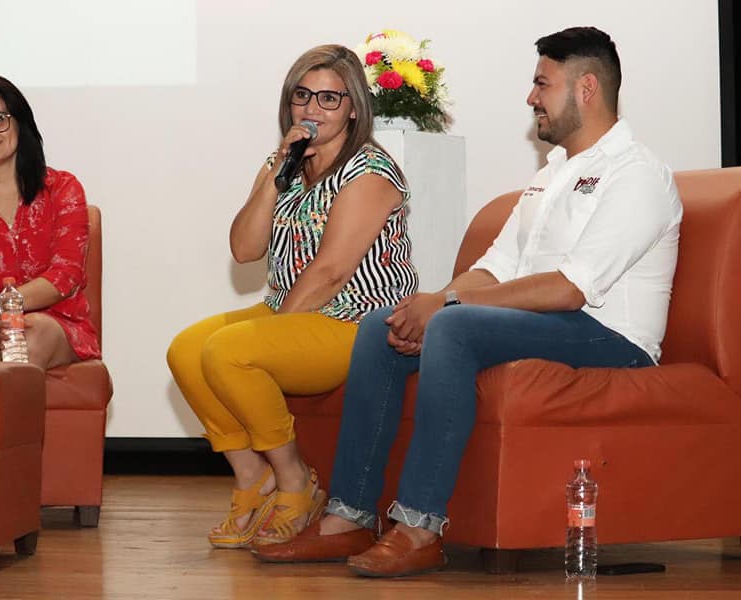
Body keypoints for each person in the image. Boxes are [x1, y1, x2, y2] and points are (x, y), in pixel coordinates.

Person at [254, 27, 683, 577]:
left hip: (612, 337)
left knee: (453, 328)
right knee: (382, 325)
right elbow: (496, 266)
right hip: (553, 320)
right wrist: (430, 301)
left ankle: (419, 525)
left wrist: (448, 307)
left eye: (542, 84)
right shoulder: (553, 174)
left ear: (586, 89)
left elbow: (570, 289)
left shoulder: (637, 174)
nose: (531, 97)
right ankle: (349, 516)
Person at [166, 44, 418, 549]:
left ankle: (295, 480)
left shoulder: (369, 170)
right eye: (302, 95)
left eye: (329, 98)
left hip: (356, 320)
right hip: (290, 305)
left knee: (228, 351)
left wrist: (269, 331)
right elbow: (244, 249)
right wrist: (275, 174)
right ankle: (251, 477)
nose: (312, 109)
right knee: (186, 350)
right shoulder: (284, 162)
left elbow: (330, 272)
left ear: (353, 108)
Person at [0, 73, 100, 369]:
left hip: (54, 322)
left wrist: (0, 305)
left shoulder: (63, 189)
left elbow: (65, 276)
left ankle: (0, 398)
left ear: (20, 123)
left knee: (25, 334)